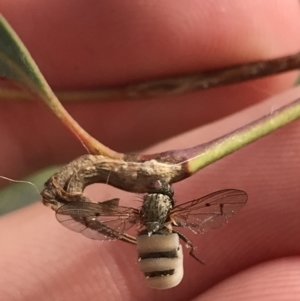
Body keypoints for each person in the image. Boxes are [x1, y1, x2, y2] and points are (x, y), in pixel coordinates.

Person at [0, 1, 300, 300]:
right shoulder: (177, 217)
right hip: (157, 251)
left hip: (157, 250)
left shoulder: (131, 218)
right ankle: (182, 255)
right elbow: (226, 203)